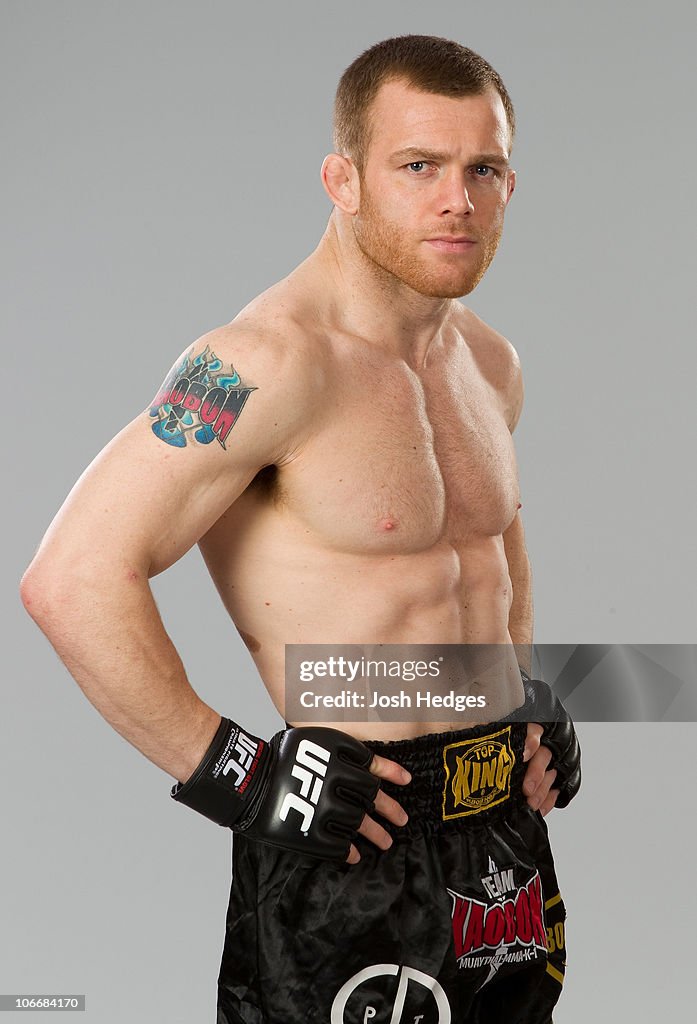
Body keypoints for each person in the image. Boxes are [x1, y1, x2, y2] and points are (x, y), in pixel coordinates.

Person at [21, 34, 581, 1024]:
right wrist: (240, 774)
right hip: (354, 836)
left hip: (499, 837)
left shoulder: (489, 365)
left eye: (482, 169)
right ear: (343, 179)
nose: (457, 198)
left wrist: (527, 697)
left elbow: (499, 555)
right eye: (418, 166)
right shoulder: (253, 365)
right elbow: (70, 577)